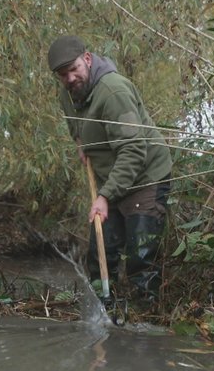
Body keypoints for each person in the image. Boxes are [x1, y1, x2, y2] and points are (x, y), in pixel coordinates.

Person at [47, 35, 173, 307]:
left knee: (140, 257)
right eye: (63, 74)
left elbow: (133, 151)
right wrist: (81, 143)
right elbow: (74, 124)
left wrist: (104, 196)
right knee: (101, 252)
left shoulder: (113, 92)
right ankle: (107, 313)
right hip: (110, 179)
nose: (70, 78)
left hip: (145, 178)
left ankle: (146, 321)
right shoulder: (69, 93)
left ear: (88, 59)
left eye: (74, 69)